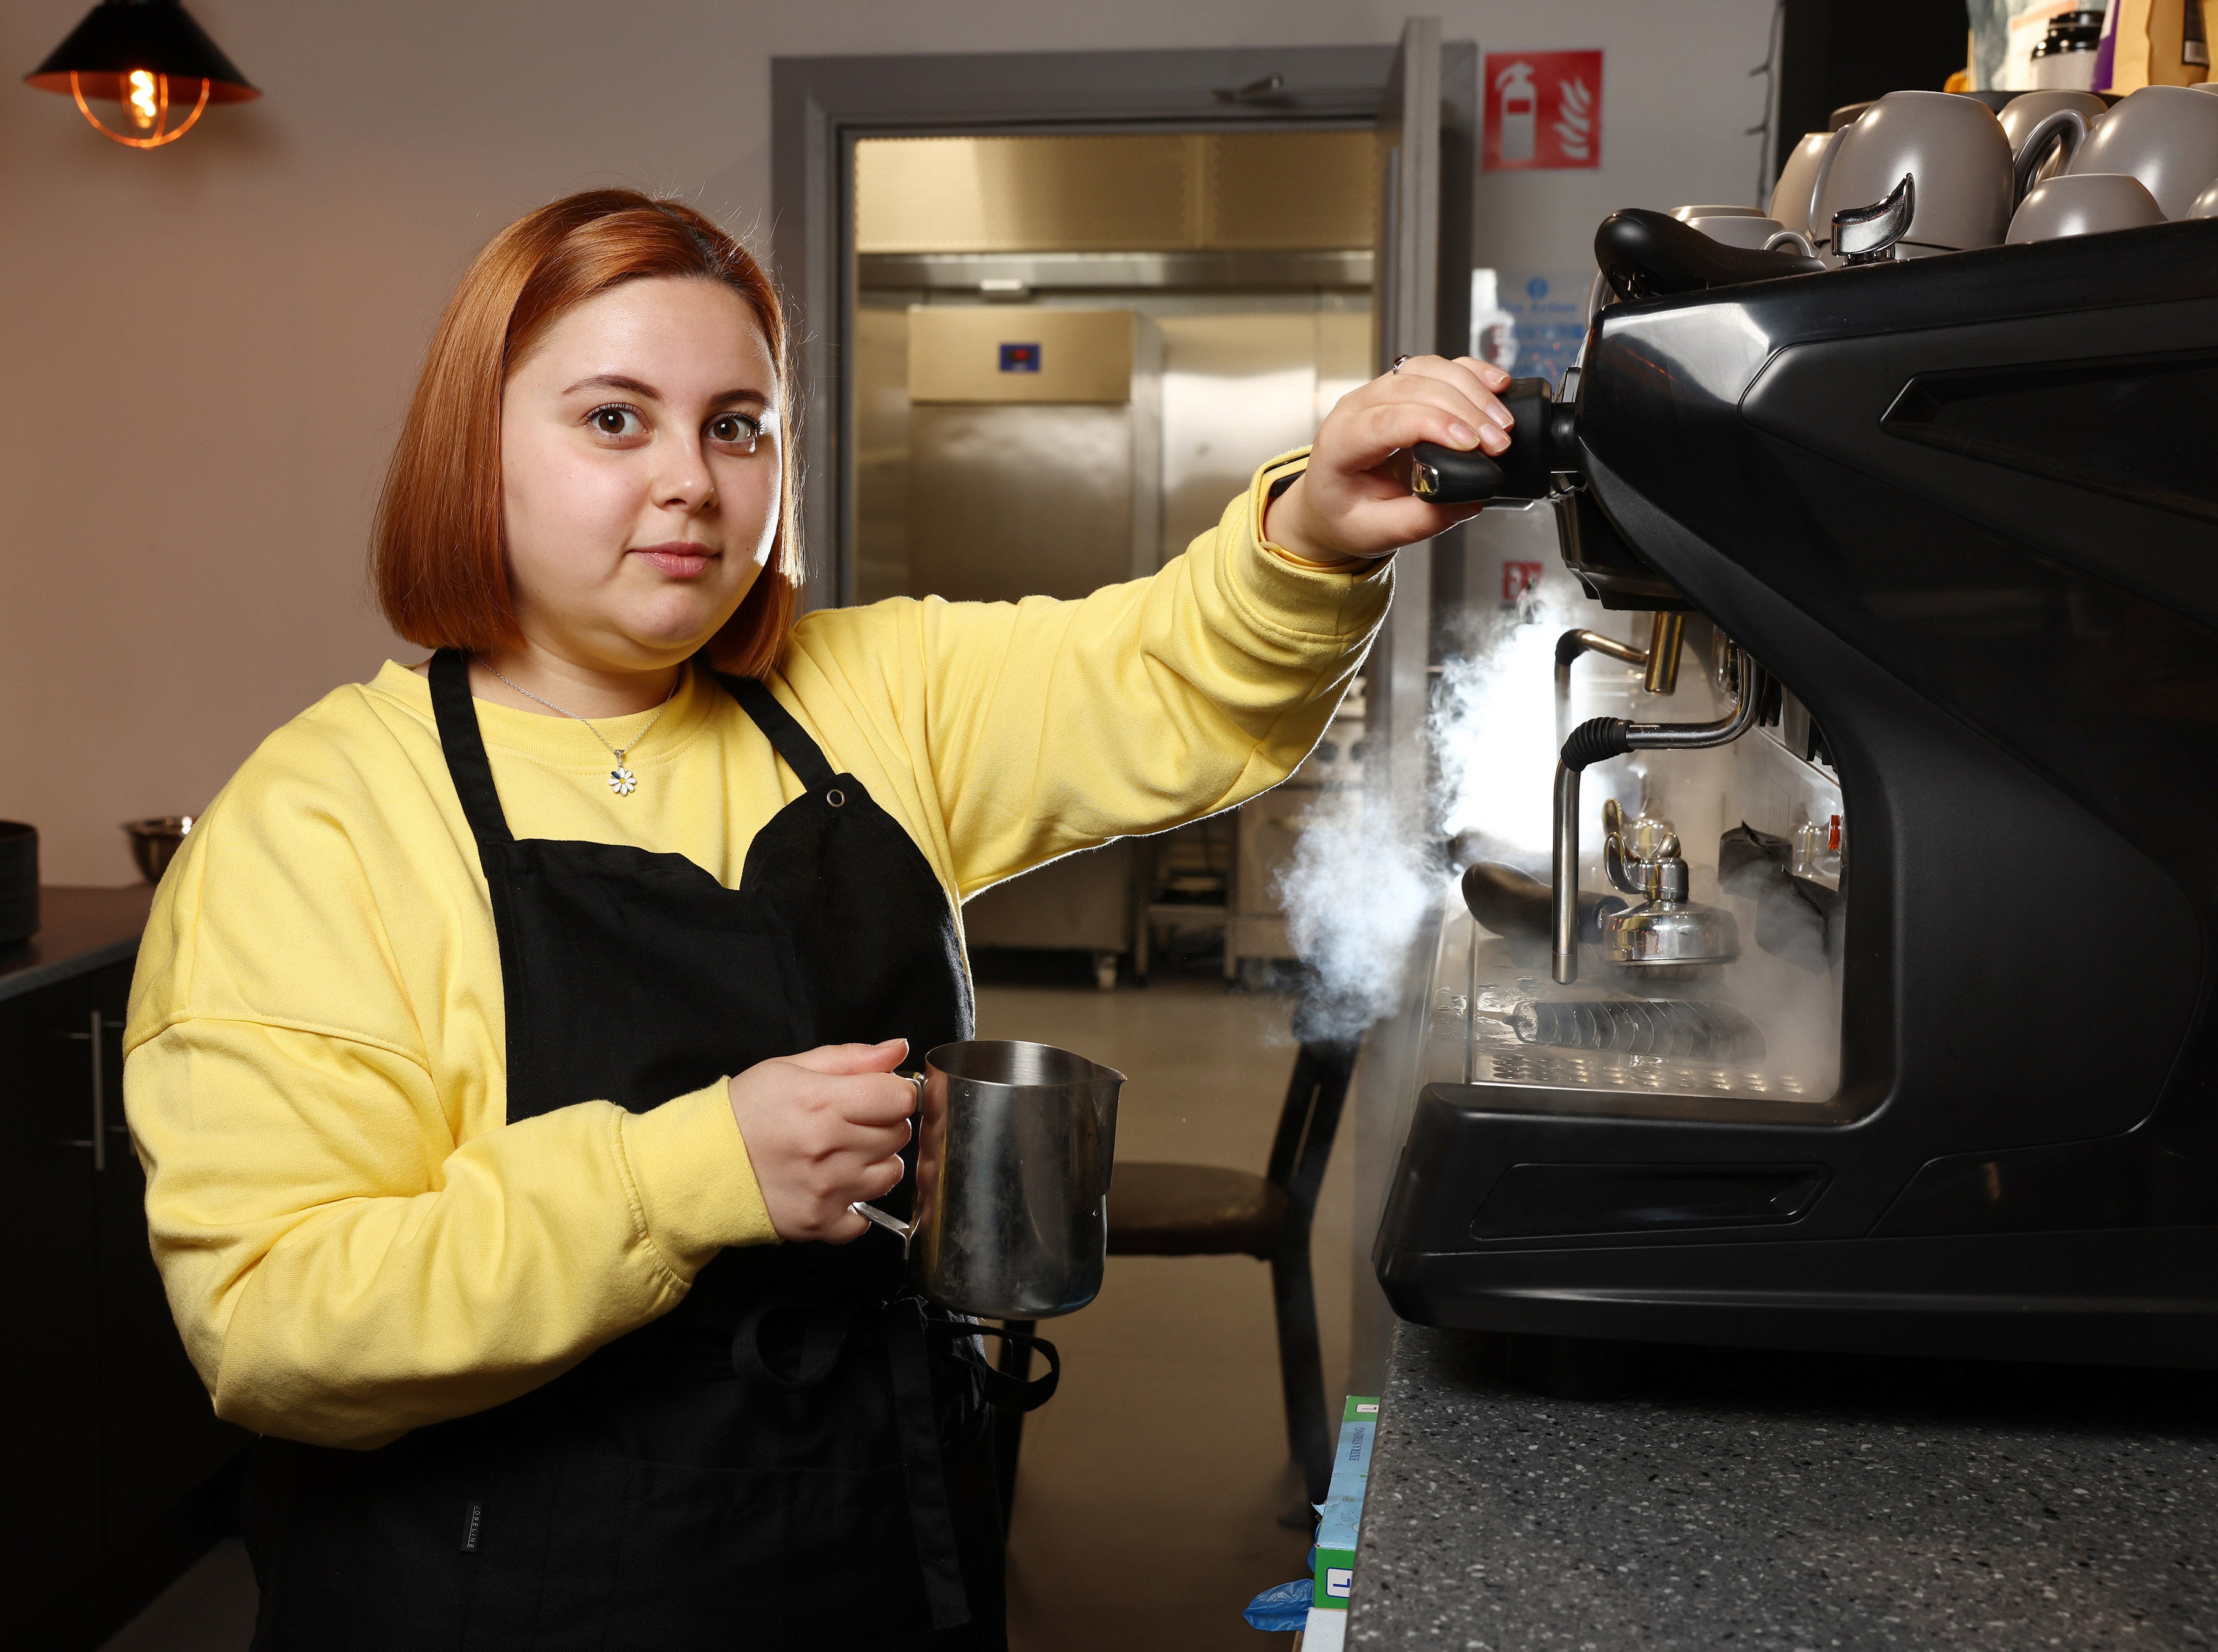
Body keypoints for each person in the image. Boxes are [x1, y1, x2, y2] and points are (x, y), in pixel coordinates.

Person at [122, 189, 1511, 1650]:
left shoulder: (864, 700)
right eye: (614, 420)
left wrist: (1317, 529)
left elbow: (1171, 676)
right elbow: (278, 1327)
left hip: (874, 1551)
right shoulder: (324, 817)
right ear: (477, 449)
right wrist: (691, 1171)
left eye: (738, 424)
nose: (693, 483)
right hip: (492, 1590)